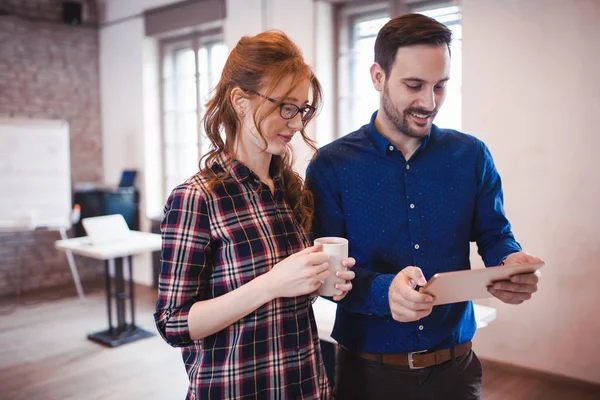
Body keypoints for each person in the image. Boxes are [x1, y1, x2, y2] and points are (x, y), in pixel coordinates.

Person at [305, 13, 543, 400]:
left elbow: (495, 234)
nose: (429, 102)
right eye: (414, 85)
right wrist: (385, 292)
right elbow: (327, 279)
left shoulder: (472, 155)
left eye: (440, 86)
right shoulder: (331, 166)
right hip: (367, 376)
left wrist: (510, 262)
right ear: (378, 77)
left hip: (457, 371)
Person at [154, 31, 356, 400]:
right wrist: (270, 284)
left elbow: (290, 300)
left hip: (306, 384)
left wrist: (323, 283)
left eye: (303, 109)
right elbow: (173, 324)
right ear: (240, 102)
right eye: (286, 107)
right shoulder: (196, 198)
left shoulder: (291, 190)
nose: (296, 124)